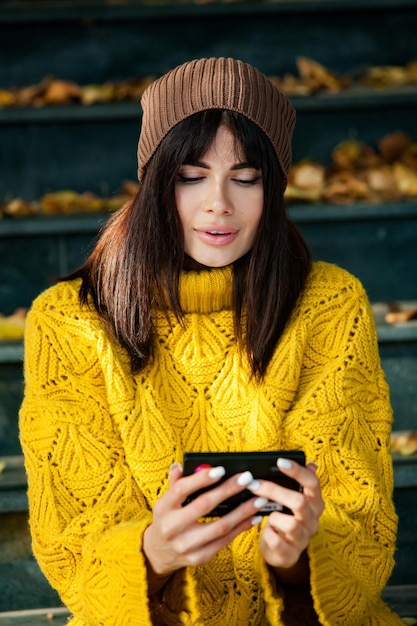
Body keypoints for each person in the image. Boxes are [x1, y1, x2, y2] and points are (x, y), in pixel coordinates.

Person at [19, 57, 403, 626]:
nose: (218, 203)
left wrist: (294, 560)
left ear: (274, 187)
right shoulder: (69, 322)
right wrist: (153, 554)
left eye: (245, 178)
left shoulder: (330, 305)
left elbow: (362, 525)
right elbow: (73, 542)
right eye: (190, 177)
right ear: (154, 180)